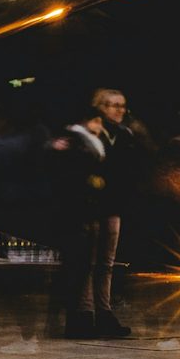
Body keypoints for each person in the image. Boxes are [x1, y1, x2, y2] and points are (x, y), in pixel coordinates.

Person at [47, 106, 116, 338]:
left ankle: (85, 318)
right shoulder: (76, 141)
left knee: (86, 265)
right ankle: (80, 319)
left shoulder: (90, 140)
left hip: (89, 208)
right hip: (81, 209)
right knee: (81, 265)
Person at [91, 89, 153, 331]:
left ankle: (103, 312)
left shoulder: (125, 135)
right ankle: (88, 313)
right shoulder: (93, 134)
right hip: (93, 206)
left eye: (122, 105)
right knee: (91, 262)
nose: (118, 110)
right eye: (112, 105)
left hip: (113, 205)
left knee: (106, 262)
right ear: (100, 108)